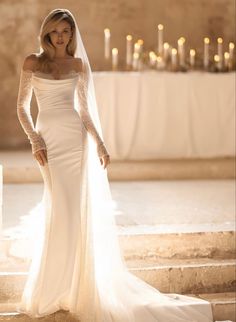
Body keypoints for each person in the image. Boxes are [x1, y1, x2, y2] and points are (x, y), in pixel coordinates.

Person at [16, 8, 214, 322]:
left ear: (71, 35)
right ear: (46, 33)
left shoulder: (78, 65)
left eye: (66, 31)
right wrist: (35, 140)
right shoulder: (33, 62)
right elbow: (23, 108)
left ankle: (73, 289)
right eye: (55, 31)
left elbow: (83, 112)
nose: (60, 36)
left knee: (73, 214)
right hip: (48, 143)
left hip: (75, 143)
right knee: (59, 209)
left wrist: (100, 143)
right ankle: (51, 290)